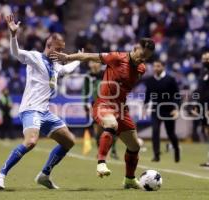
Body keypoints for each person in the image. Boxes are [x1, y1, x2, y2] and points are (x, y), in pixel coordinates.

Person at [50, 38, 155, 189]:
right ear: (135, 48)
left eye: (146, 57)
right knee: (111, 124)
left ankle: (129, 179)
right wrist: (67, 57)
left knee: (134, 146)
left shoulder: (141, 68)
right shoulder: (117, 58)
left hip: (121, 109)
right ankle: (101, 163)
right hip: (104, 104)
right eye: (141, 54)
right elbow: (88, 56)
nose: (142, 59)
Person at [0, 14, 80, 190]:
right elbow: (16, 53)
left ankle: (44, 175)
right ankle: (0, 174)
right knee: (31, 141)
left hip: (45, 112)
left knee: (69, 141)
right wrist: (13, 35)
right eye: (59, 49)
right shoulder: (34, 57)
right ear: (49, 46)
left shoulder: (55, 66)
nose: (61, 53)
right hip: (31, 109)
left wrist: (79, 58)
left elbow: (67, 69)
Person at [144, 61, 180, 162]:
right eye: (154, 66)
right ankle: (156, 155)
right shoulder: (150, 80)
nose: (156, 68)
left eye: (158, 66)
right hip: (156, 110)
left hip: (169, 110)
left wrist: (176, 109)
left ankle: (176, 150)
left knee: (170, 133)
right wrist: (145, 106)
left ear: (163, 67)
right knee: (155, 131)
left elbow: (177, 95)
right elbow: (147, 95)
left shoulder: (170, 79)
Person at [82, 61, 119, 159]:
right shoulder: (88, 76)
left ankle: (113, 151)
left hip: (109, 104)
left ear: (100, 64)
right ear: (89, 64)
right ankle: (101, 152)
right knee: (98, 131)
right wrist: (85, 104)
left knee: (112, 128)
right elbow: (84, 90)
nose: (94, 64)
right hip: (95, 105)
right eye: (92, 62)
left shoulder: (105, 73)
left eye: (96, 62)